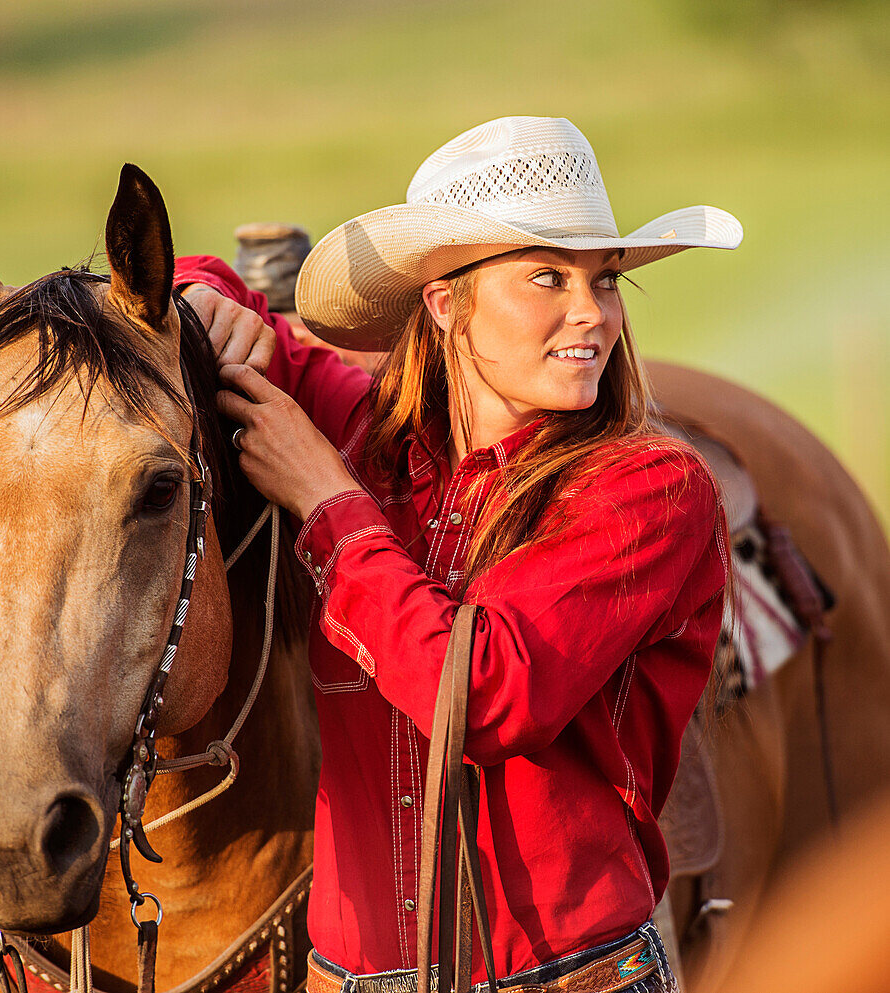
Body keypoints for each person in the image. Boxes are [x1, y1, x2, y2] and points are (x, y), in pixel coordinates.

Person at [173, 116, 740, 993]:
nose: (592, 313)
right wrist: (201, 298)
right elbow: (207, 293)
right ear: (445, 303)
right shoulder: (366, 433)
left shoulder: (647, 488)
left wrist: (330, 504)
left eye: (605, 280)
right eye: (548, 276)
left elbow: (482, 696)